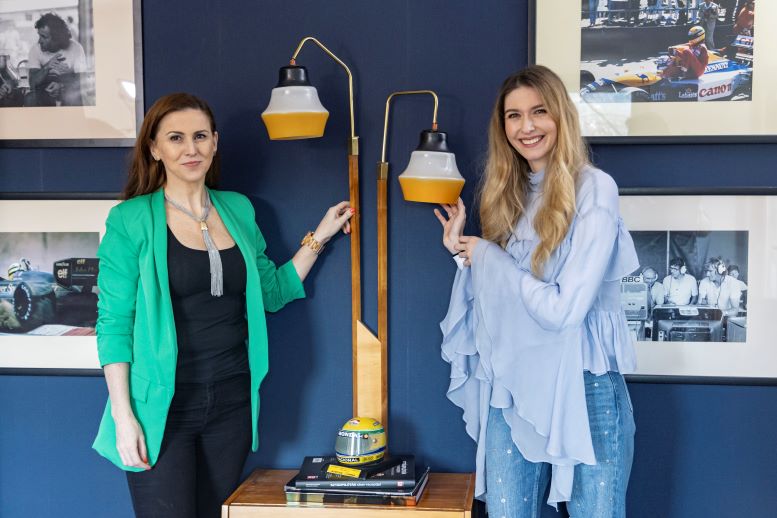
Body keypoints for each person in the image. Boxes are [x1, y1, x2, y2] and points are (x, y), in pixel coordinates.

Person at [92, 93, 354, 517]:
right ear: (155, 149)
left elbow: (272, 292)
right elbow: (114, 324)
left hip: (231, 402)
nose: (190, 149)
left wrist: (319, 236)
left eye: (200, 136)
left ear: (214, 142)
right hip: (161, 406)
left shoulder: (238, 209)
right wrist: (124, 417)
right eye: (175, 138)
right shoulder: (130, 219)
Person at [436, 65, 638, 517]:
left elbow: (564, 311)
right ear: (503, 126)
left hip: (586, 386)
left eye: (539, 111)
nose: (526, 126)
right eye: (514, 116)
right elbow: (502, 303)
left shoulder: (595, 189)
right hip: (515, 383)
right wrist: (464, 254)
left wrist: (488, 256)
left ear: (561, 115)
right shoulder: (507, 195)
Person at [26, 12, 86, 106]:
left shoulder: (76, 48)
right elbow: (32, 83)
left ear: (57, 38)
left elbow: (83, 80)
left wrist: (61, 86)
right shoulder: (35, 49)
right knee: (30, 98)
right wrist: (47, 67)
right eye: (39, 35)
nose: (39, 41)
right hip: (44, 93)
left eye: (44, 37)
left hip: (68, 91)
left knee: (74, 96)